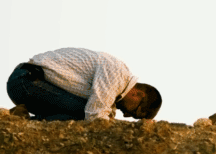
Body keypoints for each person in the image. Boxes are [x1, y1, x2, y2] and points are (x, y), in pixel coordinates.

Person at [6, 47, 161, 121]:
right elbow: (95, 116)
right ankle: (22, 122)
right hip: (25, 81)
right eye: (134, 112)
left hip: (33, 88)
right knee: (85, 112)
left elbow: (104, 114)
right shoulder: (117, 72)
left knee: (84, 111)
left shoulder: (113, 94)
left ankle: (19, 119)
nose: (126, 115)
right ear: (138, 94)